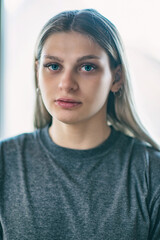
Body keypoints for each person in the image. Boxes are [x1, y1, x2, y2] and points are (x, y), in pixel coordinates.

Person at [0, 8, 160, 240]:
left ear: (116, 78)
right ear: (37, 72)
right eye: (53, 66)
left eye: (87, 67)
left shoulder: (151, 173)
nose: (66, 84)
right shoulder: (5, 162)